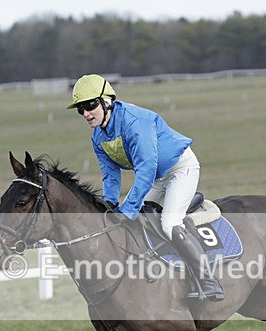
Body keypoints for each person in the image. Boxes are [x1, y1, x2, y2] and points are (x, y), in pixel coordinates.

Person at [67, 74, 224, 302]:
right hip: (155, 178)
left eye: (90, 105)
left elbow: (146, 170)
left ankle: (209, 282)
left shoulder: (134, 122)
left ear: (107, 101)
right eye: (80, 109)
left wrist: (127, 210)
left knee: (169, 223)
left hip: (181, 169)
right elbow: (110, 176)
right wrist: (109, 206)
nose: (86, 113)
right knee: (135, 220)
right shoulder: (97, 137)